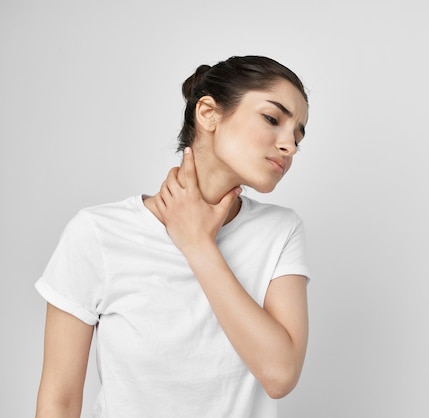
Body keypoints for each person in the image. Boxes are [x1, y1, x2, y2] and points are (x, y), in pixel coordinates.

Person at [35, 55, 311, 418]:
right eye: (272, 119)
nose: (289, 145)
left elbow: (280, 375)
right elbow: (60, 400)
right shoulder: (97, 233)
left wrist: (198, 244)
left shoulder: (280, 231)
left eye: (297, 136)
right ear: (209, 113)